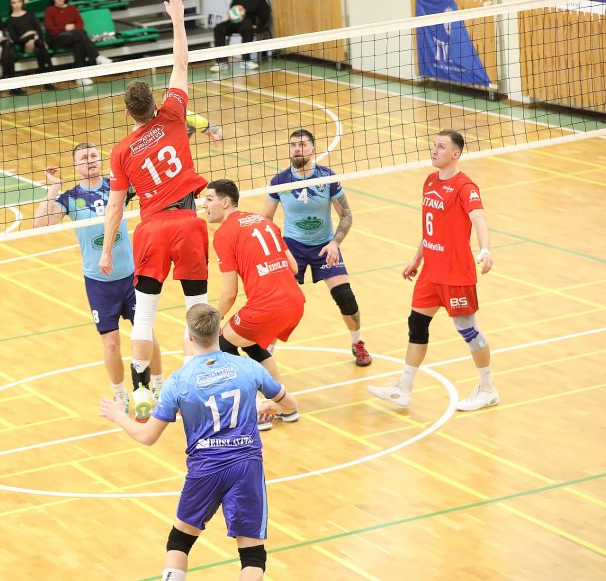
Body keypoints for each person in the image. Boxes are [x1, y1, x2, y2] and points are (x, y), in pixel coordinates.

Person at [99, 303, 297, 581]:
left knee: (180, 541)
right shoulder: (248, 367)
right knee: (252, 555)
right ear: (219, 332)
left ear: (190, 337)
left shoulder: (179, 382)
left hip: (205, 468)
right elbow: (290, 405)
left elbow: (147, 436)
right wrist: (269, 405)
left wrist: (118, 415)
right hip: (246, 466)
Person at [99, 0, 209, 393]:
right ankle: (201, 377)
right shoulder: (174, 113)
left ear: (127, 111)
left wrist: (107, 250)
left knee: (144, 316)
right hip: (188, 222)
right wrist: (177, 19)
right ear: (153, 102)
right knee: (197, 309)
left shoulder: (121, 152)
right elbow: (181, 63)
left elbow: (114, 208)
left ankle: (142, 389)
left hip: (152, 231)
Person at [369, 129, 497, 411]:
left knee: (468, 331)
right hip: (431, 271)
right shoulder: (429, 181)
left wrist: (485, 250)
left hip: (455, 273)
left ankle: (488, 389)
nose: (434, 150)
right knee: (416, 324)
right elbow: (432, 228)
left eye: (441, 147)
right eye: (434, 145)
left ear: (455, 154)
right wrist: (417, 258)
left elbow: (479, 219)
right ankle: (403, 388)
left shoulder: (465, 187)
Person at [33, 143, 163, 412]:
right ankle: (120, 396)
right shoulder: (70, 198)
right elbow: (40, 224)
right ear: (76, 166)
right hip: (98, 283)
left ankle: (160, 387)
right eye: (83, 158)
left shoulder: (118, 187)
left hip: (130, 277)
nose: (90, 160)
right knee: (111, 344)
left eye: (93, 156)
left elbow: (153, 185)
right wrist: (54, 187)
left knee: (146, 333)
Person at [261, 129, 373, 367]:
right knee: (280, 302)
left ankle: (357, 342)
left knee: (345, 297)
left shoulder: (327, 178)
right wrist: (279, 248)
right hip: (293, 247)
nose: (297, 149)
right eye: (293, 145)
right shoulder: (280, 181)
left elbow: (346, 215)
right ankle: (266, 352)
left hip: (324, 245)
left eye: (302, 145)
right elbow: (265, 220)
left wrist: (334, 243)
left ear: (313, 150)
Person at [202, 179, 304, 429]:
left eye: (209, 199)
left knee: (221, 345)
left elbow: (229, 293)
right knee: (252, 343)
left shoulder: (224, 235)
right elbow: (293, 267)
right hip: (294, 301)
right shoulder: (264, 221)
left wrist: (213, 321)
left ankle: (257, 410)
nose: (203, 204)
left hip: (267, 305)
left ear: (226, 202)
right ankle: (285, 406)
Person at [43, 0, 109, 85]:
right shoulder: (49, 10)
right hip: (57, 39)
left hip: (73, 37)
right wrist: (65, 28)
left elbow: (80, 24)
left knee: (78, 44)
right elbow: (51, 29)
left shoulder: (72, 8)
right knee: (79, 33)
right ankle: (96, 56)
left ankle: (80, 76)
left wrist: (73, 26)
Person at [209, 0, 271, 72]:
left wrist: (257, 26)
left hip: (247, 23)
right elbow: (232, 9)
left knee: (248, 26)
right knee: (218, 28)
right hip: (234, 22)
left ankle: (246, 60)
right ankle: (221, 62)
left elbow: (264, 16)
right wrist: (236, 10)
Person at [6, 0, 54, 83]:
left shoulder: (30, 14)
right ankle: (51, 70)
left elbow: (39, 31)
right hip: (25, 45)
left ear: (22, 2)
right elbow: (15, 39)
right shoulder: (10, 20)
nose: (17, 5)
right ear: (10, 4)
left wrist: (35, 36)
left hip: (37, 41)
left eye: (18, 1)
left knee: (38, 48)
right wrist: (30, 36)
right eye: (14, 2)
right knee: (39, 44)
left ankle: (46, 80)